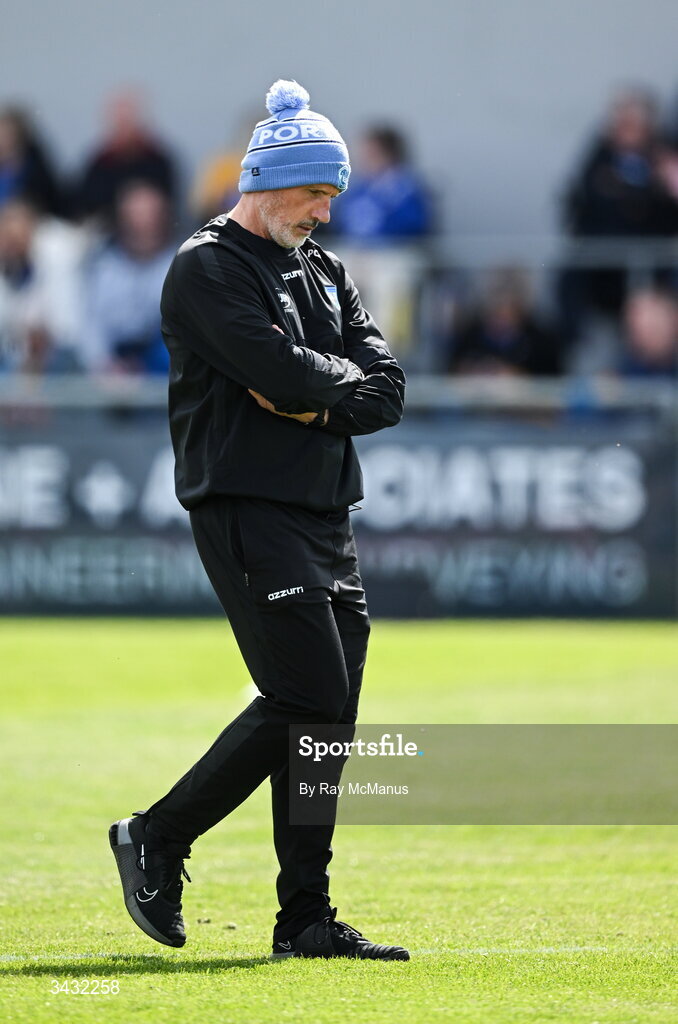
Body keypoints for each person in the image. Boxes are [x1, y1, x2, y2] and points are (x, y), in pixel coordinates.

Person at [109, 80, 408, 961]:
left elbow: (384, 391)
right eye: (316, 192)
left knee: (330, 717)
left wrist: (315, 402)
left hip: (325, 510)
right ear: (269, 179)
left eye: (332, 196)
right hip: (245, 507)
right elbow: (281, 374)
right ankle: (157, 837)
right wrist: (315, 386)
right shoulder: (207, 266)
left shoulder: (327, 268)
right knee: (307, 696)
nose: (325, 211)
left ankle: (305, 918)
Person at [83, 181, 175, 373]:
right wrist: (104, 364)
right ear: (121, 220)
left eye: (152, 216)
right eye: (136, 216)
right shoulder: (102, 266)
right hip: (111, 362)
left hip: (162, 363)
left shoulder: (182, 263)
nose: (144, 225)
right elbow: (90, 325)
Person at [71, 90, 176, 227]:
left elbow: (168, 202)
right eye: (119, 122)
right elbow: (84, 202)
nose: (123, 128)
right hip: (106, 233)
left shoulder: (158, 160)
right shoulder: (100, 162)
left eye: (127, 121)